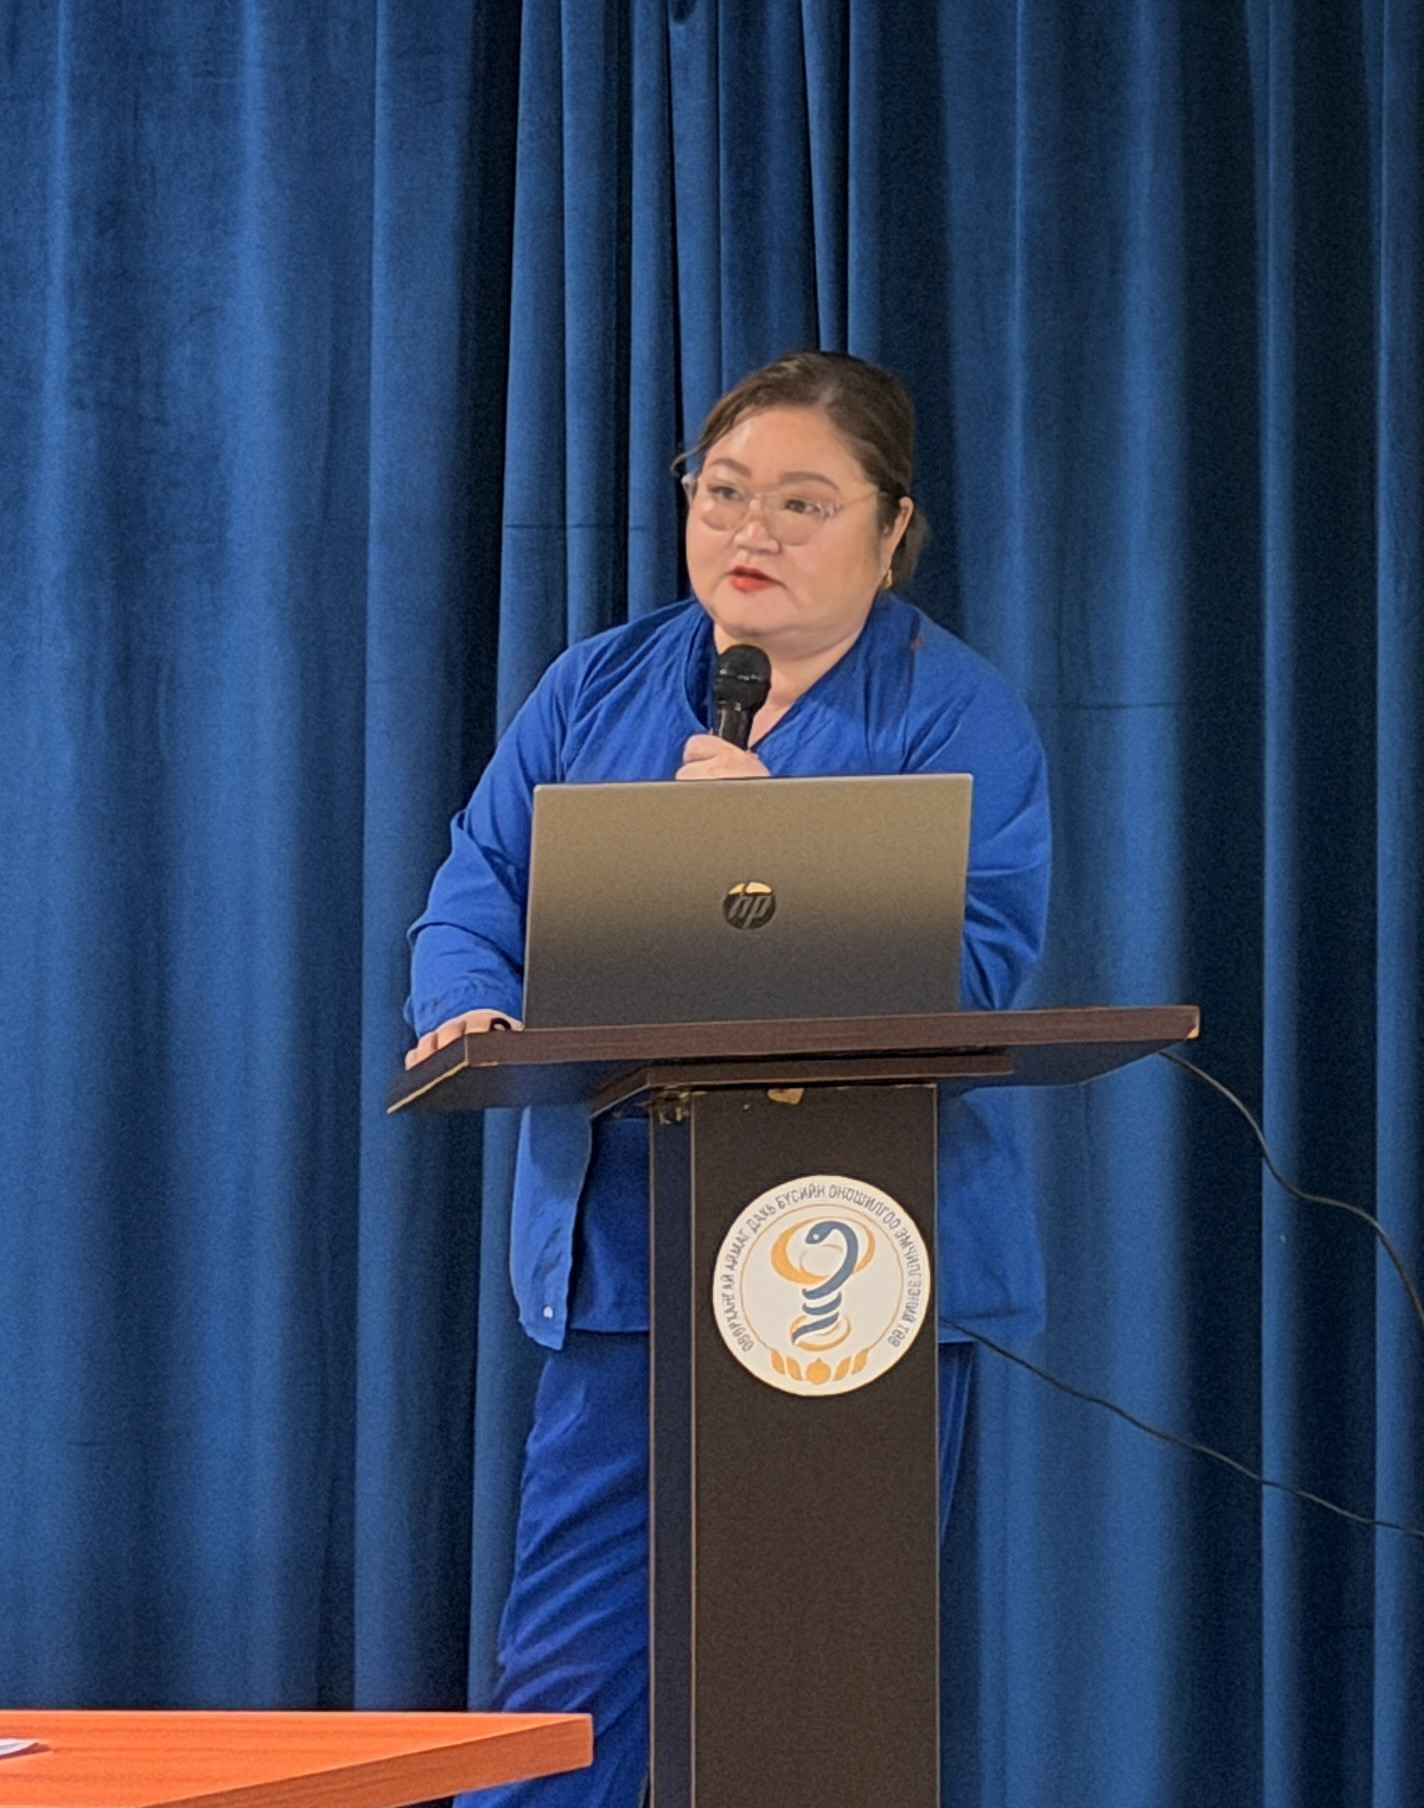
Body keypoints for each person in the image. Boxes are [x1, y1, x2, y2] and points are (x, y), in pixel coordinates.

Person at [403, 351, 1051, 1808]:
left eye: (803, 503)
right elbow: (475, 891)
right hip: (626, 1272)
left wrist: (780, 853)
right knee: (561, 1710)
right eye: (725, 493)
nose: (752, 532)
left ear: (893, 527)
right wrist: (467, 1007)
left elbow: (980, 965)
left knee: (816, 1709)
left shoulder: (954, 712)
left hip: (852, 1281)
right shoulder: (598, 686)